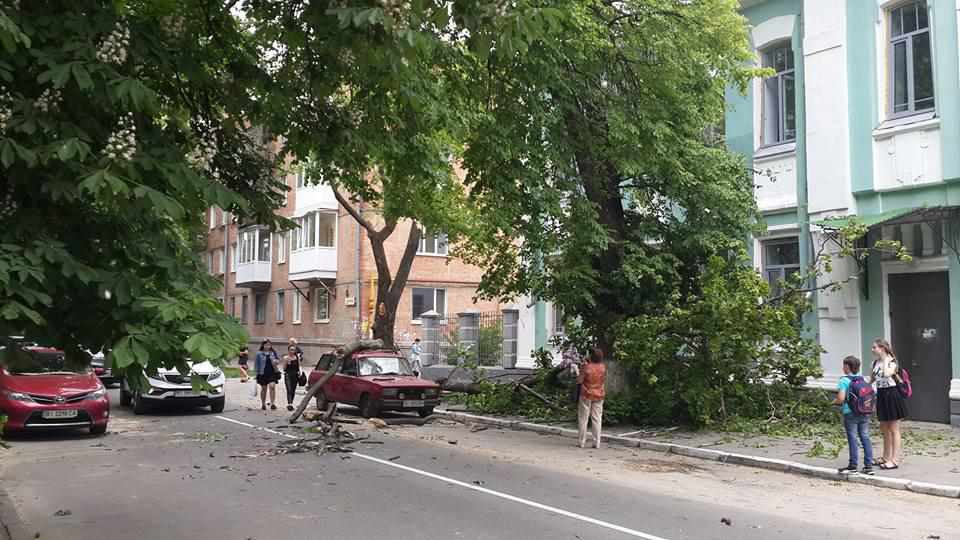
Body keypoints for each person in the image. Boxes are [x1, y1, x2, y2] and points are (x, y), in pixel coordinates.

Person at [833, 355, 874, 475]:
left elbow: (841, 398)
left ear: (847, 367)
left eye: (843, 365)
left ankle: (853, 465)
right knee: (865, 437)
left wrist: (834, 402)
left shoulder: (844, 380)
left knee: (853, 438)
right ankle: (868, 466)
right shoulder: (862, 380)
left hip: (850, 413)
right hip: (864, 412)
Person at [870, 338, 907, 470]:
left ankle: (894, 459)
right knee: (884, 428)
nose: (872, 350)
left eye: (875, 347)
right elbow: (872, 379)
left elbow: (887, 373)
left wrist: (886, 358)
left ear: (882, 348)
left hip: (892, 395)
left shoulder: (892, 362)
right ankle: (885, 457)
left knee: (893, 428)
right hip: (881, 395)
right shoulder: (874, 363)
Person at [576, 348, 606, 449]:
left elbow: (579, 380)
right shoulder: (603, 367)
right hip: (599, 394)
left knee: (583, 418)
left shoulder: (586, 367)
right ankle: (596, 443)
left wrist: (578, 370)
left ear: (591, 356)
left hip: (586, 394)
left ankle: (581, 442)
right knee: (597, 419)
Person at [254, 340, 280, 410]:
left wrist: (276, 361)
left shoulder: (273, 353)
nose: (268, 346)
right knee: (264, 389)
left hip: (272, 372)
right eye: (266, 345)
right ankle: (263, 403)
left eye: (269, 345)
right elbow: (256, 364)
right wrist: (256, 373)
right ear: (263, 345)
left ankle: (272, 403)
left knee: (272, 386)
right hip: (263, 373)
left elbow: (278, 360)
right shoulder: (259, 354)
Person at [281, 344, 301, 412]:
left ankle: (291, 402)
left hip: (295, 375)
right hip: (288, 375)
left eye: (293, 350)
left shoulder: (297, 357)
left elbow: (299, 366)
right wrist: (287, 362)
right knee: (289, 389)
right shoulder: (286, 358)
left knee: (293, 390)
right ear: (288, 350)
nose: (292, 351)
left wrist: (300, 373)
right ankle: (289, 404)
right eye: (291, 350)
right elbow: (284, 368)